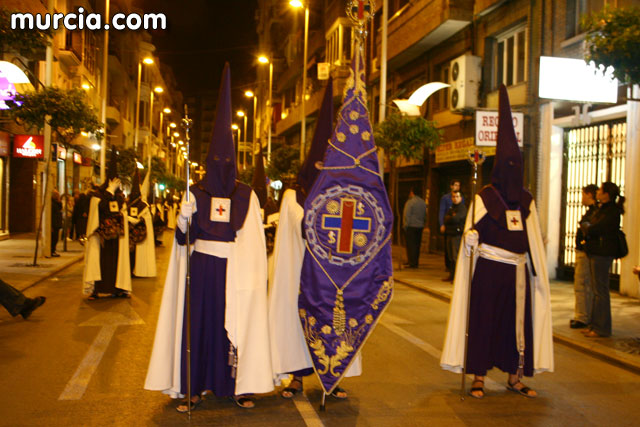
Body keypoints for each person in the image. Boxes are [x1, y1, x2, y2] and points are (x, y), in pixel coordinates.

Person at [145, 64, 273, 412]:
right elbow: (184, 243)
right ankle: (193, 387)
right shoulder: (196, 193)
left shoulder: (247, 195)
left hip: (236, 272)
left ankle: (237, 385)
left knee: (235, 328)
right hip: (201, 271)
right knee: (199, 329)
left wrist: (250, 273)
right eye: (215, 161)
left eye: (226, 161)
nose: (221, 166)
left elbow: (255, 243)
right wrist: (184, 222)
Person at [441, 85, 553, 399]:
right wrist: (470, 240)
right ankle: (478, 377)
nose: (513, 173)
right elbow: (468, 240)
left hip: (518, 275)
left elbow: (533, 240)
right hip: (489, 273)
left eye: (518, 167)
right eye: (508, 167)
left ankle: (514, 377)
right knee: (484, 323)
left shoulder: (528, 200)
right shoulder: (484, 198)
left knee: (516, 328)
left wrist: (538, 254)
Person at [298, 52, 393, 397]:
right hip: (321, 270)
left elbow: (380, 225)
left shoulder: (357, 188)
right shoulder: (310, 196)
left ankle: (334, 379)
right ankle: (304, 373)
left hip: (346, 266)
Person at [268, 78, 359, 399]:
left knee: (333, 326)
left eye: (329, 164)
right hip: (301, 275)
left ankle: (331, 378)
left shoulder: (343, 196)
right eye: (320, 164)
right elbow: (304, 227)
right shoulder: (295, 194)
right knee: (298, 327)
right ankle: (296, 377)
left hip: (331, 278)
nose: (324, 169)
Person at [82, 151, 132, 299]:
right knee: (100, 264)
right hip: (101, 239)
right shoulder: (98, 196)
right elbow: (100, 209)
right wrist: (109, 192)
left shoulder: (120, 198)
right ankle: (96, 289)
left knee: (116, 265)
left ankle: (118, 288)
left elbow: (121, 213)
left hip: (116, 240)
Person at [581, 182, 625, 338]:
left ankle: (602, 328)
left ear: (606, 194)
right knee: (595, 290)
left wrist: (587, 227)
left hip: (602, 253)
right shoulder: (602, 209)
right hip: (595, 251)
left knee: (601, 291)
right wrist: (587, 226)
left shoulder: (612, 211)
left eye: (600, 190)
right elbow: (588, 224)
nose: (597, 192)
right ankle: (594, 324)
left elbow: (594, 227)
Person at [570, 184, 598, 329]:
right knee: (585, 284)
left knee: (582, 284)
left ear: (589, 195)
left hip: (585, 252)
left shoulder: (595, 213)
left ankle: (582, 317)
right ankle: (584, 315)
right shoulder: (593, 212)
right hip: (584, 250)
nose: (581, 198)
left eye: (583, 194)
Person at [128, 168, 156, 278]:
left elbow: (139, 220)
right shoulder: (135, 204)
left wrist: (127, 218)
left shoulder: (143, 206)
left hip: (142, 234)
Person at [440, 179, 463, 277]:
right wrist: (442, 223)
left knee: (455, 254)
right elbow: (443, 213)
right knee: (449, 252)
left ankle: (454, 274)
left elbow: (457, 217)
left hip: (456, 232)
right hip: (449, 230)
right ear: (451, 186)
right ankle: (450, 270)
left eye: (458, 185)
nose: (457, 187)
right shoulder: (445, 198)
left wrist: (451, 217)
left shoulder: (461, 204)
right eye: (455, 185)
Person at [443, 190, 466, 282]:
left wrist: (451, 218)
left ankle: (457, 278)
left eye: (457, 197)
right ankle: (451, 275)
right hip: (450, 234)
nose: (455, 198)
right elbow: (446, 218)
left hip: (457, 235)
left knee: (455, 257)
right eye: (453, 197)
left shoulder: (462, 208)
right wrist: (450, 217)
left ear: (460, 198)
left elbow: (457, 218)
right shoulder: (451, 208)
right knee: (450, 257)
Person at [403, 187, 427, 268]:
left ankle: (411, 262)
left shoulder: (410, 202)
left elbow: (407, 215)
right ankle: (415, 262)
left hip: (411, 226)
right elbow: (425, 215)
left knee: (410, 245)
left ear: (412, 192)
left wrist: (405, 225)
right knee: (417, 245)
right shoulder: (423, 202)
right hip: (420, 226)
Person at [51, 190, 63, 257]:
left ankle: (53, 250)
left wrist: (59, 201)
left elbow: (60, 208)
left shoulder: (57, 203)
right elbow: (52, 215)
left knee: (56, 238)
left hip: (57, 223)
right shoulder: (52, 204)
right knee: (53, 238)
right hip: (54, 223)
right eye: (57, 195)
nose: (58, 196)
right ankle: (52, 250)